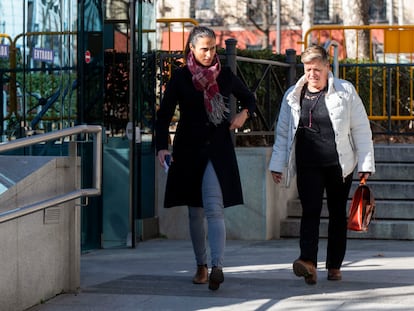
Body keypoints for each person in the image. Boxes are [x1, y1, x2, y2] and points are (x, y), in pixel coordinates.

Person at [155, 26, 256, 291]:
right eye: (204, 49)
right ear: (192, 49)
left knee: (214, 207)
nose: (210, 53)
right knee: (194, 212)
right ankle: (201, 264)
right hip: (188, 151)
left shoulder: (225, 76)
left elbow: (249, 99)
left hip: (218, 149)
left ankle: (217, 267)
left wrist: (244, 115)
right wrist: (161, 147)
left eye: (213, 48)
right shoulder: (180, 77)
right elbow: (163, 115)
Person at [268, 45, 375, 285]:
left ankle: (335, 265)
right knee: (310, 212)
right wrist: (278, 164)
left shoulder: (345, 91)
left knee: (337, 214)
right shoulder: (292, 95)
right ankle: (308, 263)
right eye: (308, 69)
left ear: (328, 66)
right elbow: (283, 133)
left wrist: (365, 164)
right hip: (308, 165)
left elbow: (361, 129)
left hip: (339, 165)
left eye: (317, 69)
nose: (312, 74)